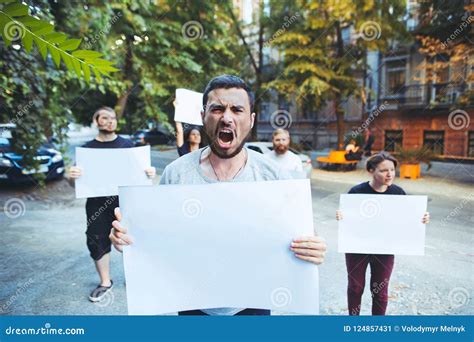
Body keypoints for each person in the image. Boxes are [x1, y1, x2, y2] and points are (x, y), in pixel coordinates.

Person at [110, 75, 327, 316]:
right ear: (203, 116)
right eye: (217, 109)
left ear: (251, 120)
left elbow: (302, 235)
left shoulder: (274, 177)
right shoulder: (177, 173)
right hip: (192, 304)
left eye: (237, 109)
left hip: (253, 303)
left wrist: (313, 247)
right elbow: (156, 237)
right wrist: (128, 240)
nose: (226, 117)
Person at [69, 106, 156, 303]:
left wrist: (149, 173)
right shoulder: (87, 150)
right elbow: (74, 181)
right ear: (96, 121)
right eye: (105, 117)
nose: (110, 121)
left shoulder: (128, 146)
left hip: (125, 200)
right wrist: (71, 176)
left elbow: (141, 174)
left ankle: (134, 279)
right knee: (96, 240)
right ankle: (105, 282)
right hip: (96, 204)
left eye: (113, 118)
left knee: (130, 240)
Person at [336, 152, 430, 315]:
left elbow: (406, 219)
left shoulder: (398, 192)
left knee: (380, 291)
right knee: (355, 287)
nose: (389, 174)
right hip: (357, 248)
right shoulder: (357, 192)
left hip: (385, 249)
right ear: (371, 170)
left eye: (392, 170)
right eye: (383, 170)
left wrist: (421, 219)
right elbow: (348, 218)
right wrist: (342, 216)